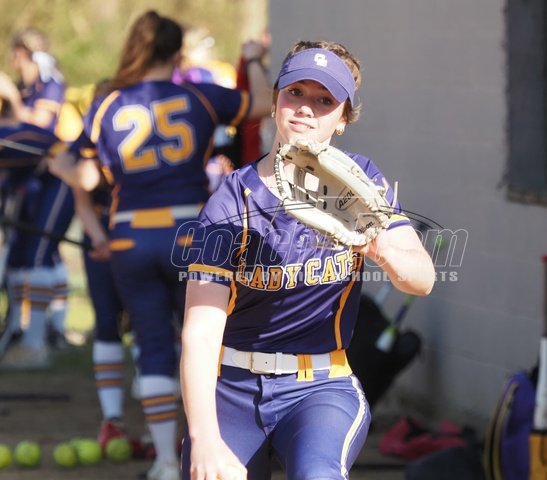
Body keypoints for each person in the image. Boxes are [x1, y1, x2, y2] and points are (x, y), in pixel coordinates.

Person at [179, 40, 436, 480]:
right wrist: (203, 437)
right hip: (232, 387)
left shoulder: (359, 185)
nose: (304, 109)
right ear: (275, 100)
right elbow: (201, 334)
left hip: (320, 387)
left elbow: (422, 279)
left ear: (343, 119)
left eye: (324, 101)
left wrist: (376, 245)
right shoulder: (232, 200)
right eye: (295, 92)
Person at [48, 11, 271, 480]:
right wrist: (253, 58)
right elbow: (260, 105)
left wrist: (61, 167)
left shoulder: (107, 103)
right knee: (205, 341)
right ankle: (209, 450)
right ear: (177, 53)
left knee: (152, 345)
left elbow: (84, 177)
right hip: (191, 232)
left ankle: (166, 460)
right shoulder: (199, 95)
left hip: (129, 234)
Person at [0, 27, 75, 368]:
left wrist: (12, 100)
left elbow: (41, 128)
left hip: (57, 175)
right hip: (29, 179)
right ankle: (18, 331)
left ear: (22, 53)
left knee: (39, 255)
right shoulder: (27, 86)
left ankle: (39, 341)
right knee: (19, 256)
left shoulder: (49, 81)